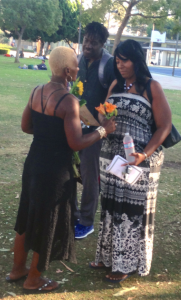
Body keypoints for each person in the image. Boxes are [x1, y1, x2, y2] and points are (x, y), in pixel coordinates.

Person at [6, 46, 116, 293]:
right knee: (47, 222)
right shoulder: (69, 101)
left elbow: (26, 126)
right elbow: (76, 143)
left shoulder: (37, 91)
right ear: (68, 71)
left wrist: (48, 134)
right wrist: (102, 131)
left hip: (34, 163)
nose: (79, 70)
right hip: (55, 171)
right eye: (76, 66)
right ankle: (33, 279)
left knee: (27, 215)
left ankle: (17, 270)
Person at [90, 39, 172, 282]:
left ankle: (124, 263)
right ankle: (107, 256)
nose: (120, 64)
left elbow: (165, 126)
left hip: (139, 159)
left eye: (124, 59)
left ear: (137, 60)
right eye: (117, 60)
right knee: (110, 207)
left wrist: (144, 154)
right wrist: (102, 115)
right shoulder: (115, 84)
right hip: (112, 157)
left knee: (130, 210)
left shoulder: (151, 87)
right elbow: (103, 113)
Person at [74, 22, 115, 239]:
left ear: (103, 44)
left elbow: (114, 96)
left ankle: (86, 221)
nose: (88, 45)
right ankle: (72, 214)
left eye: (94, 42)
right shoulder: (78, 60)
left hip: (95, 131)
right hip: (73, 126)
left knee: (90, 175)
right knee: (69, 169)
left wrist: (105, 122)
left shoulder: (108, 65)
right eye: (86, 40)